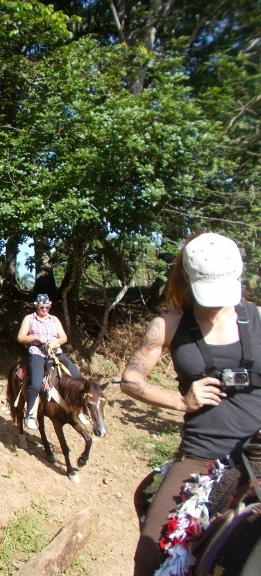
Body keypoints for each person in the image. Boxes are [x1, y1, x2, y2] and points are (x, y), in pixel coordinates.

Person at [120, 231, 261, 576]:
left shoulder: (259, 319)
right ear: (187, 277)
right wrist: (182, 400)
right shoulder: (168, 325)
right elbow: (130, 380)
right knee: (149, 557)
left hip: (258, 450)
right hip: (201, 453)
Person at [16, 293, 85, 430]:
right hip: (38, 352)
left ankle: (80, 410)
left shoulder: (54, 319)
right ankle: (30, 414)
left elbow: (64, 337)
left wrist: (56, 342)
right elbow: (20, 337)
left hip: (55, 353)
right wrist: (35, 337)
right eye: (42, 307)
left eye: (47, 307)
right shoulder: (29, 319)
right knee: (36, 383)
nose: (45, 310)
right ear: (37, 306)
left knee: (79, 379)